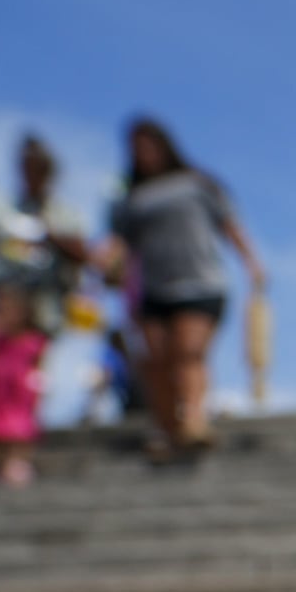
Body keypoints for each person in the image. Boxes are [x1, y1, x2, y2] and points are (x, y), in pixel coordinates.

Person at [103, 117, 264, 460]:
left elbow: (230, 225)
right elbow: (119, 243)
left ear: (164, 145)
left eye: (148, 145)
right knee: (157, 361)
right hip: (153, 288)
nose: (143, 153)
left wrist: (252, 264)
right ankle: (166, 428)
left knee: (188, 352)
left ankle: (193, 422)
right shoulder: (131, 196)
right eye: (136, 148)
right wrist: (104, 264)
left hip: (200, 281)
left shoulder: (198, 182)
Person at [0, 134, 87, 343]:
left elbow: (83, 256)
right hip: (3, 313)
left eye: (39, 169)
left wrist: (50, 234)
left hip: (49, 315)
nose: (33, 175)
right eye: (28, 168)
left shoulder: (65, 213)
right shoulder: (0, 209)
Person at [0, 285, 47, 487]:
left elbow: (40, 367)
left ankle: (18, 462)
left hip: (20, 393)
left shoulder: (33, 341)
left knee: (20, 427)